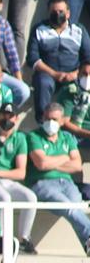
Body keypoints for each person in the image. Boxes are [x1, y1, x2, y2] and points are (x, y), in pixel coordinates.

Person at [26, 103, 90, 254]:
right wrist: (64, 157)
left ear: (62, 121)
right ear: (42, 118)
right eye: (47, 119)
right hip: (42, 184)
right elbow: (41, 164)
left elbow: (77, 165)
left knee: (76, 207)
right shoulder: (33, 136)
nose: (50, 123)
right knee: (70, 207)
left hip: (67, 183)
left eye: (54, 119)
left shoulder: (67, 137)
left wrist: (51, 162)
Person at [0, 102, 39, 254]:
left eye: (10, 116)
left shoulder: (19, 138)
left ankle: (24, 238)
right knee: (5, 198)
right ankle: (2, 239)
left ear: (16, 118)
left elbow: (20, 173)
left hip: (5, 178)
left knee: (30, 197)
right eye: (4, 114)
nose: (7, 118)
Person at [26, 0, 90, 116]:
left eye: (61, 12)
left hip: (74, 75)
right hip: (47, 74)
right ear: (48, 12)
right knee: (42, 83)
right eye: (54, 12)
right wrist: (54, 74)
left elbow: (88, 58)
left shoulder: (79, 30)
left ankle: (76, 125)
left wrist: (75, 74)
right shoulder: (39, 30)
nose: (57, 14)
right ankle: (43, 123)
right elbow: (32, 58)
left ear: (68, 13)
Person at [55, 62, 90, 153]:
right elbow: (65, 123)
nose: (87, 78)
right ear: (78, 74)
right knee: (66, 137)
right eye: (85, 74)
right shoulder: (70, 90)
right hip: (73, 133)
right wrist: (86, 133)